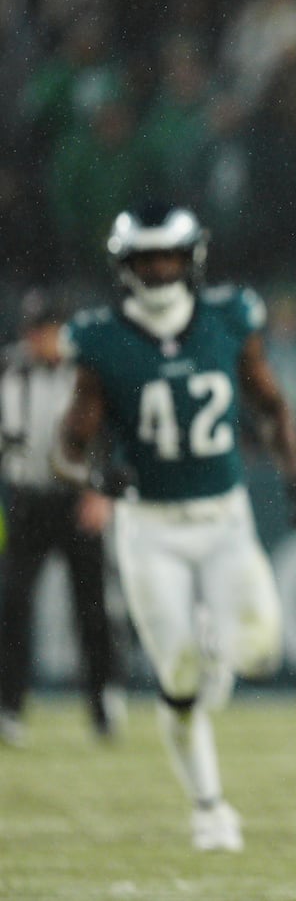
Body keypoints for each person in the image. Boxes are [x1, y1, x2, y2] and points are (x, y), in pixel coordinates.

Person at [53, 203, 296, 852]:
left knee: (258, 650)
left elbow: (272, 402)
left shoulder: (229, 317)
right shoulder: (100, 339)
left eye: (168, 256)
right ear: (124, 267)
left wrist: (293, 477)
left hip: (224, 518)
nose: (160, 270)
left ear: (192, 258)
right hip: (150, 526)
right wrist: (94, 476)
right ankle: (210, 807)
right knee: (177, 677)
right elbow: (67, 443)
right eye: (146, 260)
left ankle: (215, 645)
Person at [0, 288, 124, 746]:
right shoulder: (8, 370)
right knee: (14, 603)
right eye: (34, 330)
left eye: (47, 329)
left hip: (78, 499)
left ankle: (103, 701)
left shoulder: (88, 369)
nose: (40, 339)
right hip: (26, 498)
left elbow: (113, 432)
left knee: (91, 606)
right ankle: (9, 705)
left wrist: (103, 492)